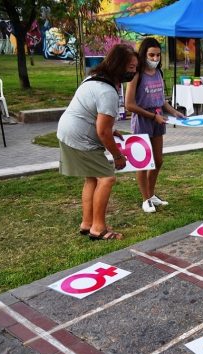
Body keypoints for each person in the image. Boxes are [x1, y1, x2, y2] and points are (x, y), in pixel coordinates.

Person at [57, 44, 139, 240]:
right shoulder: (107, 92)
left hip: (68, 132)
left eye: (135, 68)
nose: (134, 72)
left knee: (92, 178)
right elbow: (102, 131)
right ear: (118, 66)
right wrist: (118, 156)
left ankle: (87, 224)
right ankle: (98, 228)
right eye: (130, 68)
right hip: (80, 138)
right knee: (107, 178)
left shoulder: (94, 79)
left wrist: (111, 130)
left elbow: (98, 120)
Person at [125, 37, 185, 214]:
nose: (155, 58)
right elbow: (129, 104)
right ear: (143, 55)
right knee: (144, 163)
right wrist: (153, 116)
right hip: (143, 121)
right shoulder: (136, 74)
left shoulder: (158, 73)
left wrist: (174, 111)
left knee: (158, 161)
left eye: (158, 55)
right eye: (151, 55)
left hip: (157, 120)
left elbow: (161, 99)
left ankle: (151, 195)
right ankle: (145, 199)